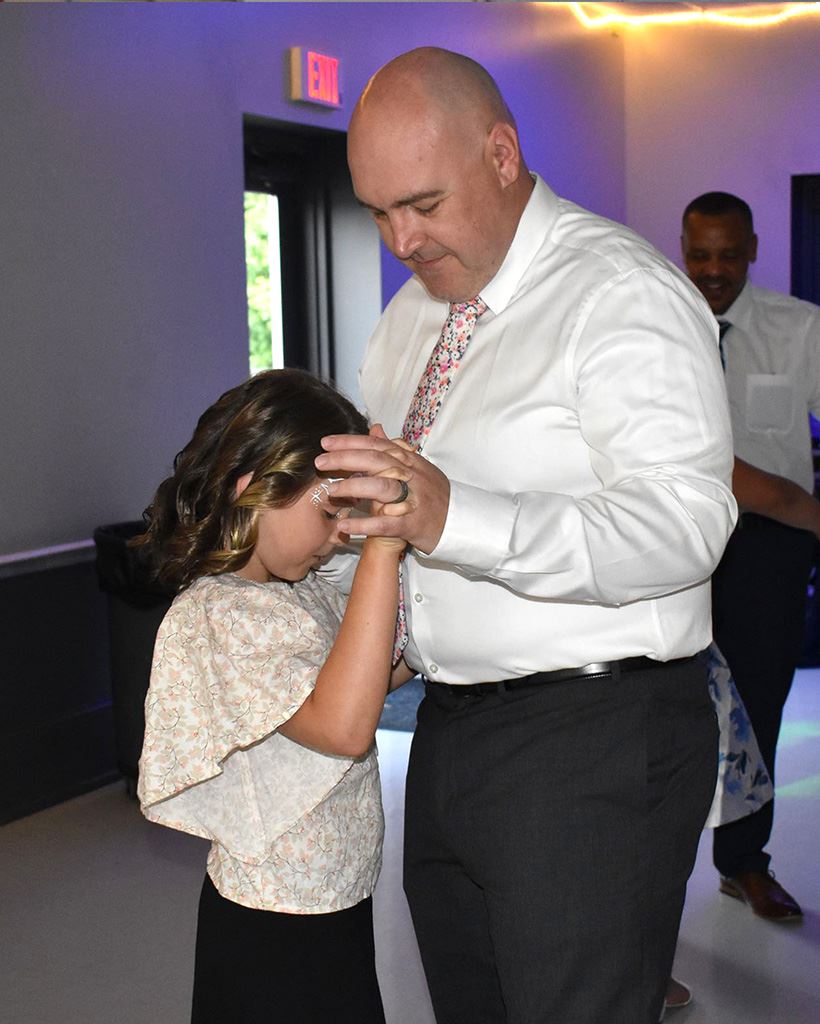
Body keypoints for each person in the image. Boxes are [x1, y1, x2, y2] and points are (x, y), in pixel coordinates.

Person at [316, 48, 737, 1024]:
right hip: (450, 725)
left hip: (594, 733)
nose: (399, 238)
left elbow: (685, 525)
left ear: (502, 154)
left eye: (420, 202)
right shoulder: (408, 319)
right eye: (377, 211)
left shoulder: (618, 294)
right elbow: (396, 511)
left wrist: (453, 514)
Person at [135, 369, 413, 1024]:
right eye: (328, 512)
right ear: (251, 489)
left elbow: (359, 686)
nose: (339, 535)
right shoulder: (220, 613)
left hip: (332, 902)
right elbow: (343, 728)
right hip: (275, 924)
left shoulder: (289, 591)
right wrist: (386, 545)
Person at [682, 191, 820, 921]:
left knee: (759, 701)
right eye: (699, 255)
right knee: (670, 706)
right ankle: (655, 879)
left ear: (754, 249)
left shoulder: (799, 329)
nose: (712, 271)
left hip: (770, 543)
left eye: (727, 255)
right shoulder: (658, 323)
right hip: (676, 539)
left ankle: (743, 862)